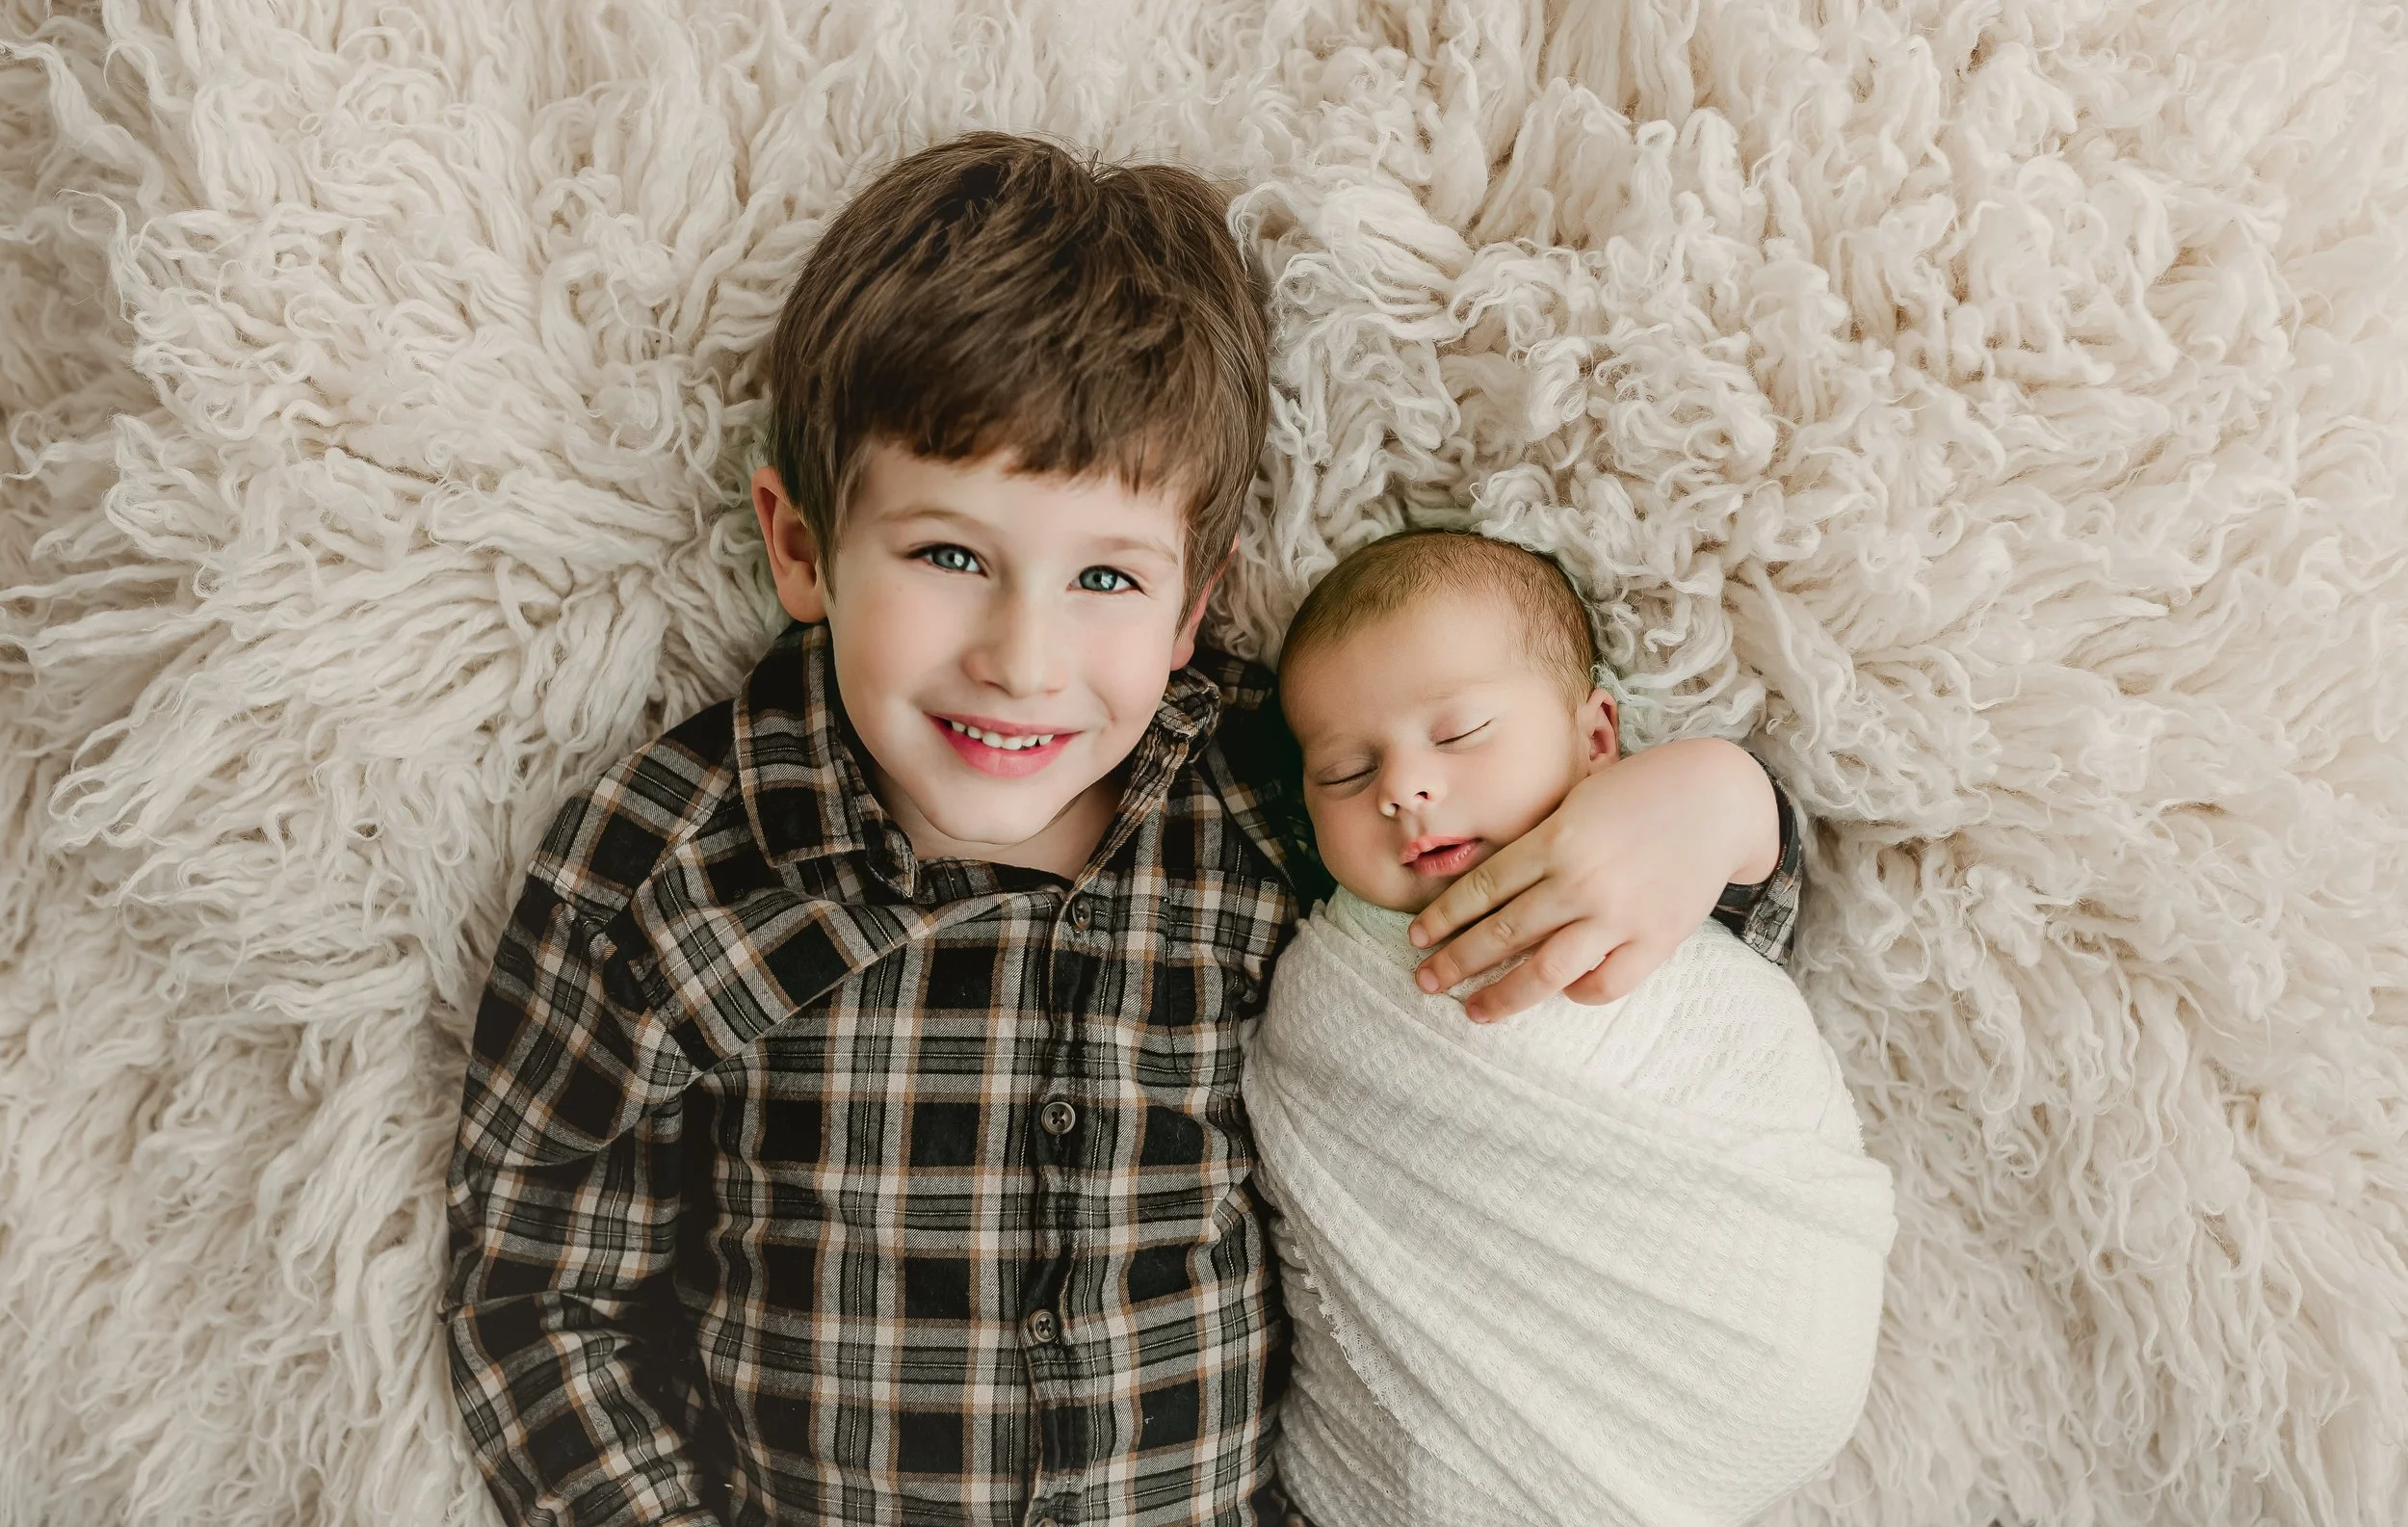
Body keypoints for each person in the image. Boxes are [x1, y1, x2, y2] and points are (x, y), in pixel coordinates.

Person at [437, 130, 1808, 1527]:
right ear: (801, 546)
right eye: (950, 556)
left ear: (1194, 606)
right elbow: (537, 1289)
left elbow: (1601, 971)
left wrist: (1723, 807)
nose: (1025, 660)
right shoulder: (669, 862)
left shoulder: (1275, 793)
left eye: (1105, 575)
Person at [1244, 528, 1896, 1527]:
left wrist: (1720, 785)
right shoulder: (1324, 978)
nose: (1401, 788)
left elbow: (1757, 885)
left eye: (1457, 735)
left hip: (1741, 1331)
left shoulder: (1640, 867)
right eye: (1343, 771)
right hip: (1446, 1426)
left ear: (1595, 738)